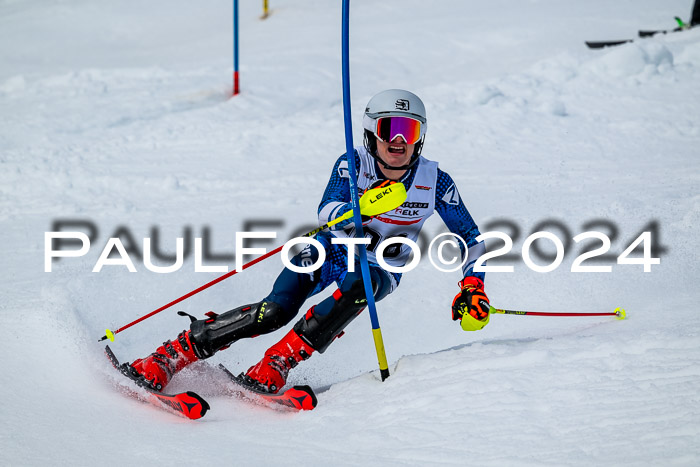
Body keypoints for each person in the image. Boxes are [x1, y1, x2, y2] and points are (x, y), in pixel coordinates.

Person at [125, 89, 490, 394]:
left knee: (364, 284)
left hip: (379, 266)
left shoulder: (435, 181)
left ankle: (278, 362)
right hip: (329, 250)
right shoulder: (353, 164)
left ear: (420, 136)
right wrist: (358, 208)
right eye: (389, 128)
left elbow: (470, 237)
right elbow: (326, 209)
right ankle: (173, 353)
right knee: (275, 313)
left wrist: (473, 286)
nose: (398, 141)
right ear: (371, 132)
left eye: (408, 131)